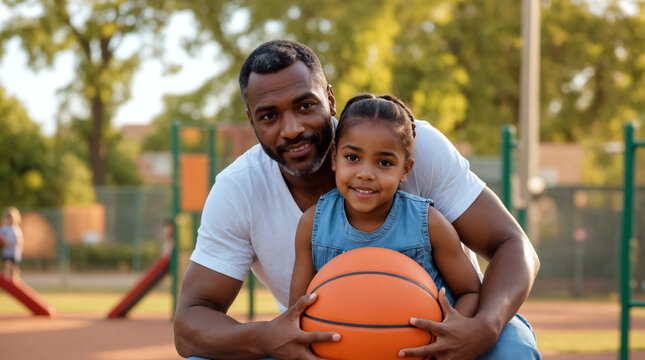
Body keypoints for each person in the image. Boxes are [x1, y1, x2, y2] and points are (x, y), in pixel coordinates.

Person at [174, 40, 540, 360]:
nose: (292, 128)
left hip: (444, 342)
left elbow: (513, 244)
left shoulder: (410, 143)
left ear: (329, 99)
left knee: (513, 348)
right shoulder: (240, 189)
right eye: (269, 116)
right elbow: (189, 324)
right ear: (251, 121)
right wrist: (266, 338)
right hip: (329, 344)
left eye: (304, 106)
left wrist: (485, 326)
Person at [289, 94, 482, 325]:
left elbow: (470, 292)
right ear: (334, 158)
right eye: (352, 157)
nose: (366, 173)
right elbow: (295, 313)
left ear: (405, 170)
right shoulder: (313, 225)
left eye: (384, 163)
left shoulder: (429, 224)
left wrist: (451, 335)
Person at [0, 207, 24, 282]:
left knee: (14, 267)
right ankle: (7, 279)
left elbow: (20, 241)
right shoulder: (4, 229)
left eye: (11, 218)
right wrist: (4, 241)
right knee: (7, 265)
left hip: (15, 252)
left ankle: (15, 279)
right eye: (7, 218)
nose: (9, 220)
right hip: (7, 252)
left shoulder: (16, 229)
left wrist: (11, 242)